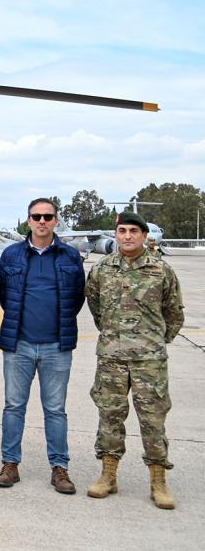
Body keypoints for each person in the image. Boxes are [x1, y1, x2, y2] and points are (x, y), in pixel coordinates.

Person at [85, 211, 184, 509]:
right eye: (122, 231)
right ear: (116, 234)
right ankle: (108, 476)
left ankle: (158, 482)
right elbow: (95, 306)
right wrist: (115, 337)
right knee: (109, 416)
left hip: (149, 361)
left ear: (144, 236)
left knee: (153, 420)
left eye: (133, 231)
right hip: (111, 358)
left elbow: (175, 312)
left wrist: (153, 341)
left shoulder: (161, 270)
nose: (127, 236)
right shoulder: (103, 269)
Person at [0, 198, 84, 493]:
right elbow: (5, 296)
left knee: (55, 409)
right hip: (19, 344)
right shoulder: (10, 255)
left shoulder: (71, 256)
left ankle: (59, 468)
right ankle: (10, 465)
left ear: (56, 220)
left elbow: (77, 298)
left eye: (48, 216)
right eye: (36, 216)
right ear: (28, 220)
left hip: (57, 346)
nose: (42, 221)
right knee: (13, 406)